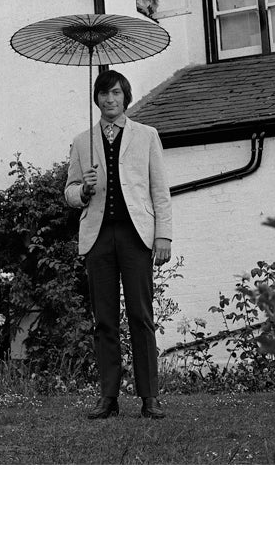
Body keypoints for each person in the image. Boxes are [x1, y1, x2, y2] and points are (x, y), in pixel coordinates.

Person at [64, 69, 172, 419]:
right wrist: (83, 190)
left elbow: (159, 190)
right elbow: (69, 192)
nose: (110, 100)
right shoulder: (83, 142)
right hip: (98, 237)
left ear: (125, 97)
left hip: (135, 234)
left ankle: (149, 397)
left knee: (141, 316)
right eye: (103, 94)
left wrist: (163, 234)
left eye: (116, 93)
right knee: (104, 320)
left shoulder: (147, 135)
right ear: (96, 99)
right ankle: (108, 397)